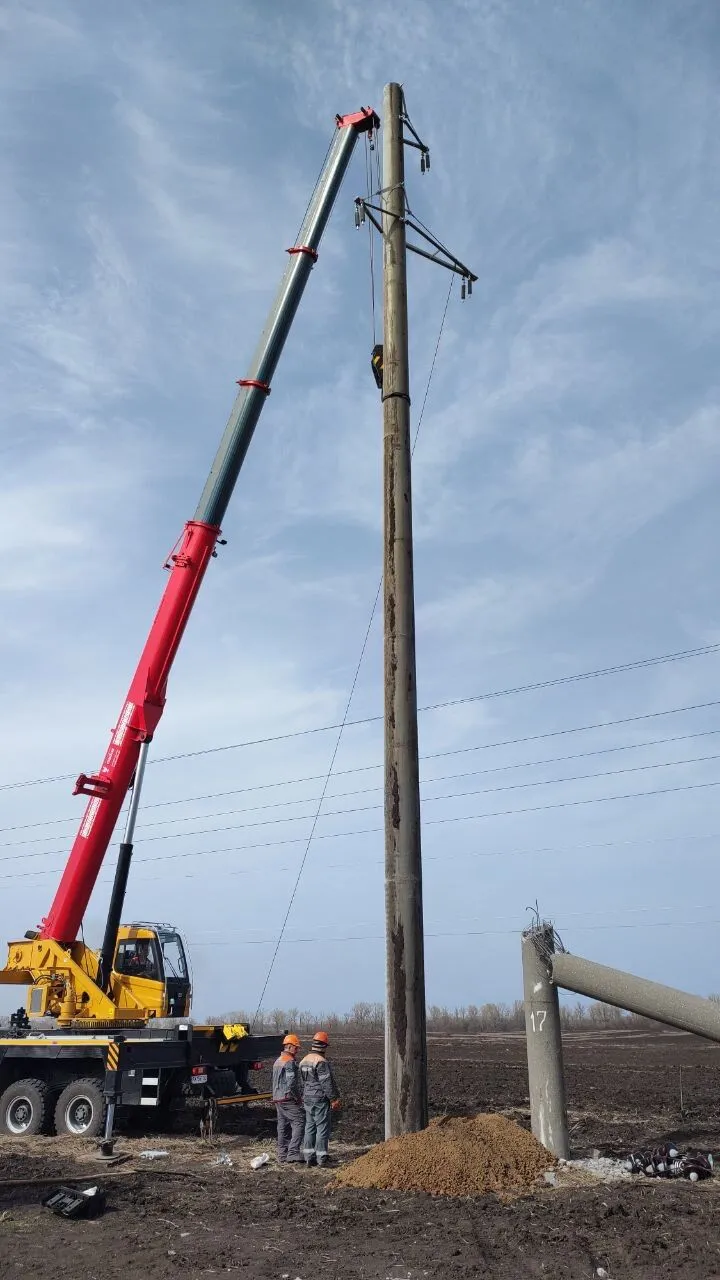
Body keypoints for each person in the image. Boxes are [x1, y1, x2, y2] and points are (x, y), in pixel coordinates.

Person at [299, 1030, 341, 1167]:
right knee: (322, 1128)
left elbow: (302, 1082)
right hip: (320, 1099)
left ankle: (308, 1157)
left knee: (309, 1127)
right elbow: (326, 1083)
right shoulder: (321, 1062)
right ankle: (321, 1158)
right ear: (323, 1046)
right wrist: (334, 1098)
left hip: (307, 1098)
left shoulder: (303, 1060)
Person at [272, 1033, 304, 1164]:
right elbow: (291, 1083)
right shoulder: (289, 1062)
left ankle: (282, 1155)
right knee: (299, 1122)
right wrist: (298, 1098)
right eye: (296, 1048)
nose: (297, 1050)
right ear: (289, 1047)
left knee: (282, 1126)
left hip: (277, 1098)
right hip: (287, 1098)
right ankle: (293, 1153)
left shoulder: (278, 1060)